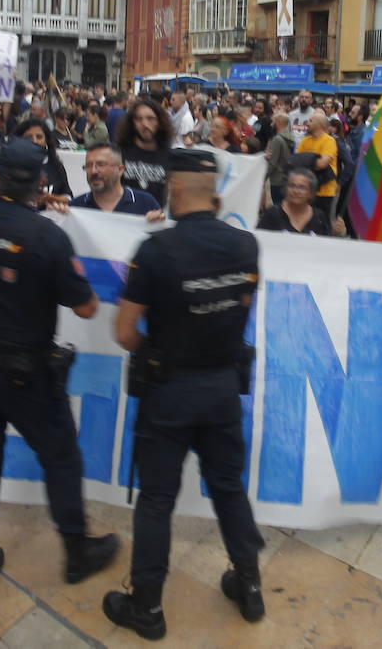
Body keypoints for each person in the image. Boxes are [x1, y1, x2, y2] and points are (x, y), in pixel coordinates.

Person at [0, 137, 118, 597]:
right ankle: (76, 551)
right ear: (40, 184)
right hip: (28, 373)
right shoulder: (46, 236)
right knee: (60, 456)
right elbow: (87, 309)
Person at [103, 149, 266, 639]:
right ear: (212, 193)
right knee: (228, 488)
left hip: (170, 392)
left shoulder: (155, 250)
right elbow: (241, 306)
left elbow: (124, 332)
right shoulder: (246, 246)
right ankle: (249, 586)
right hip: (221, 389)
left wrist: (160, 348)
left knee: (156, 499)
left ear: (173, 187)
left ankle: (148, 607)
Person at [70, 143, 162, 214]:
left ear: (120, 170)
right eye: (89, 166)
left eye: (101, 165)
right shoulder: (75, 207)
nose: (94, 171)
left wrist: (156, 222)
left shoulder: (145, 204)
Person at [117, 98, 173, 204]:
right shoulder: (119, 153)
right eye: (139, 119)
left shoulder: (169, 156)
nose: (145, 124)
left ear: (160, 121)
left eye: (150, 119)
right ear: (132, 122)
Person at [257, 167, 342, 235]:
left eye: (302, 187)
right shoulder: (272, 214)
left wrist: (336, 233)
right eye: (292, 186)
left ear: (311, 192)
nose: (296, 191)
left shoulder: (319, 218)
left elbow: (325, 244)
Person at [11, 119, 72, 204]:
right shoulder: (10, 163)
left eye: (39, 137)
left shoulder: (56, 165)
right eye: (28, 137)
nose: (34, 141)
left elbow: (68, 197)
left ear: (46, 141)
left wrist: (51, 198)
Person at [296, 112, 339, 214]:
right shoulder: (305, 141)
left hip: (325, 192)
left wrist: (305, 162)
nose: (307, 123)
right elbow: (295, 161)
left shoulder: (329, 141)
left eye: (311, 121)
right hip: (307, 191)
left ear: (319, 124)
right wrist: (313, 161)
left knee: (322, 221)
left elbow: (322, 164)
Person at [264, 113, 293, 206]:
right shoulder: (290, 137)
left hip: (276, 179)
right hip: (285, 176)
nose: (271, 124)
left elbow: (272, 162)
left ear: (279, 123)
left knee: (277, 205)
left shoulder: (277, 139)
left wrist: (263, 176)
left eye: (273, 121)